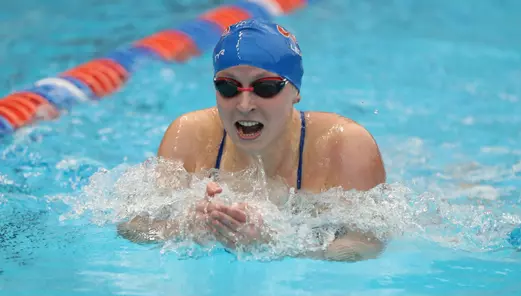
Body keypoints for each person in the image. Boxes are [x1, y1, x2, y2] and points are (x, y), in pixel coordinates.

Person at [118, 19, 387, 262]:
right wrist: (185, 227)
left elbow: (365, 245)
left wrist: (277, 243)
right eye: (227, 87)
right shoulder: (189, 135)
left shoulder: (345, 145)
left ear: (295, 91)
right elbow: (133, 227)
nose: (244, 105)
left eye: (266, 87)